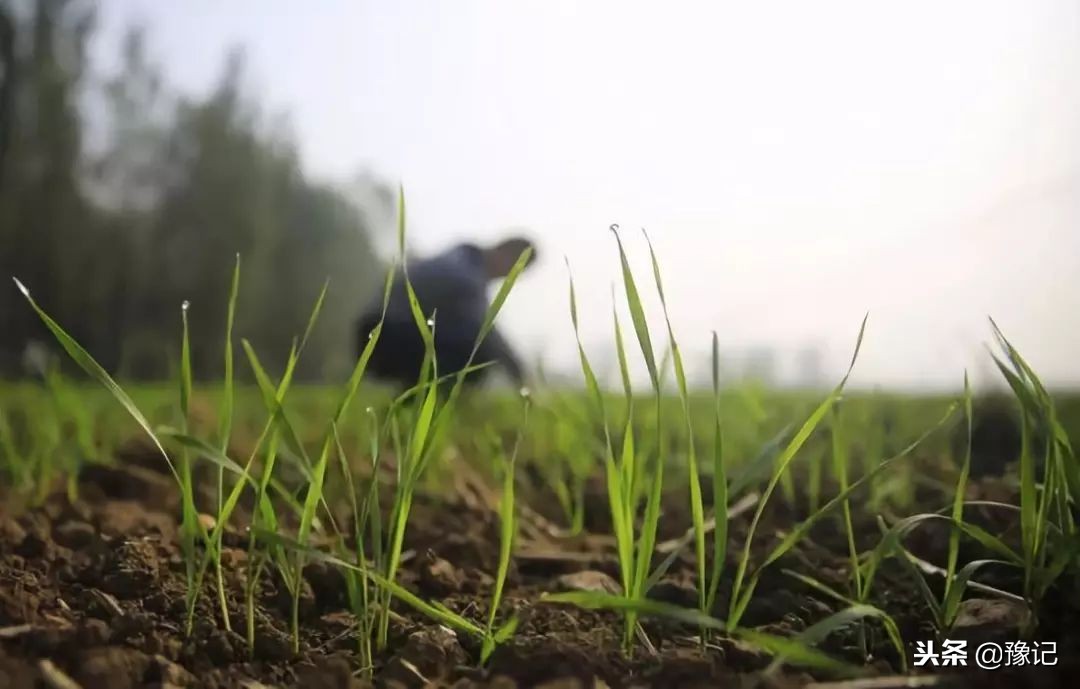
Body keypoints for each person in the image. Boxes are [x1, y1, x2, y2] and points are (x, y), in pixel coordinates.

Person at [356, 236, 537, 389]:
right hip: (383, 335)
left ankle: (413, 400)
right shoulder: (465, 273)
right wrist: (520, 376)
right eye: (515, 268)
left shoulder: (462, 258)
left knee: (467, 343)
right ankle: (418, 404)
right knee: (477, 354)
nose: (508, 277)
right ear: (504, 253)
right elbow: (485, 330)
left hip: (378, 331)